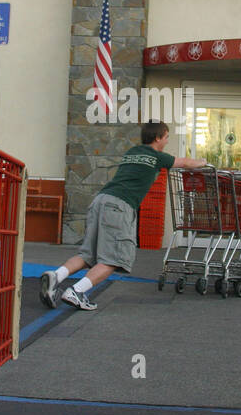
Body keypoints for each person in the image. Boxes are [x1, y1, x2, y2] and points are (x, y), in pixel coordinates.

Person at [40, 120, 207, 310]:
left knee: (88, 254)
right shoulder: (158, 157)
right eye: (167, 137)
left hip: (100, 200)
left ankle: (57, 275)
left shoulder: (132, 152)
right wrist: (204, 162)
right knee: (113, 259)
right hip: (119, 206)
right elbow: (184, 162)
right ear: (158, 137)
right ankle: (77, 291)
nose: (167, 141)